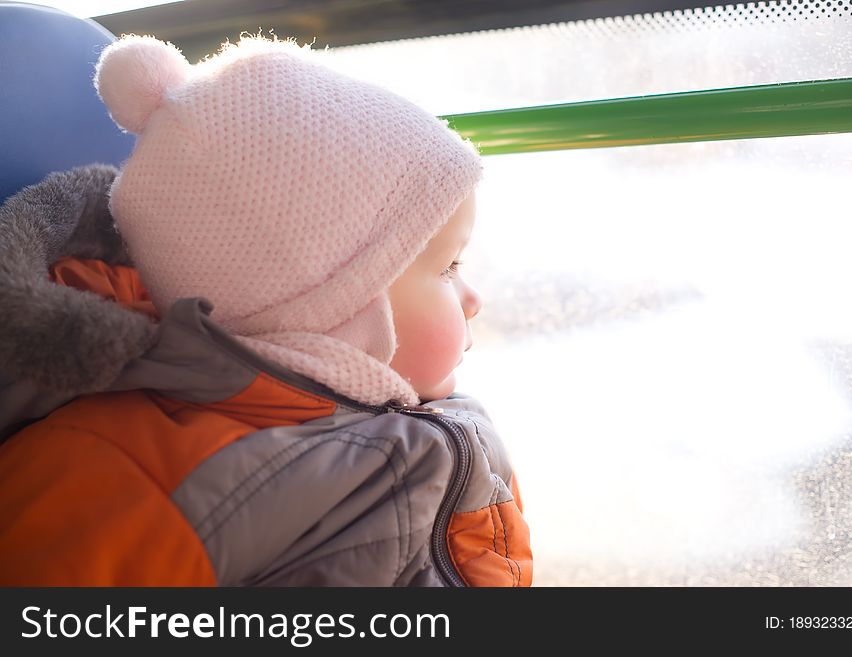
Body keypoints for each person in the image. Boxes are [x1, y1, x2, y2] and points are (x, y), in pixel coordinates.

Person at [0, 34, 531, 586]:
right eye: (447, 269)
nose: (474, 298)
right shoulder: (129, 485)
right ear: (332, 303)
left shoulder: (422, 416)